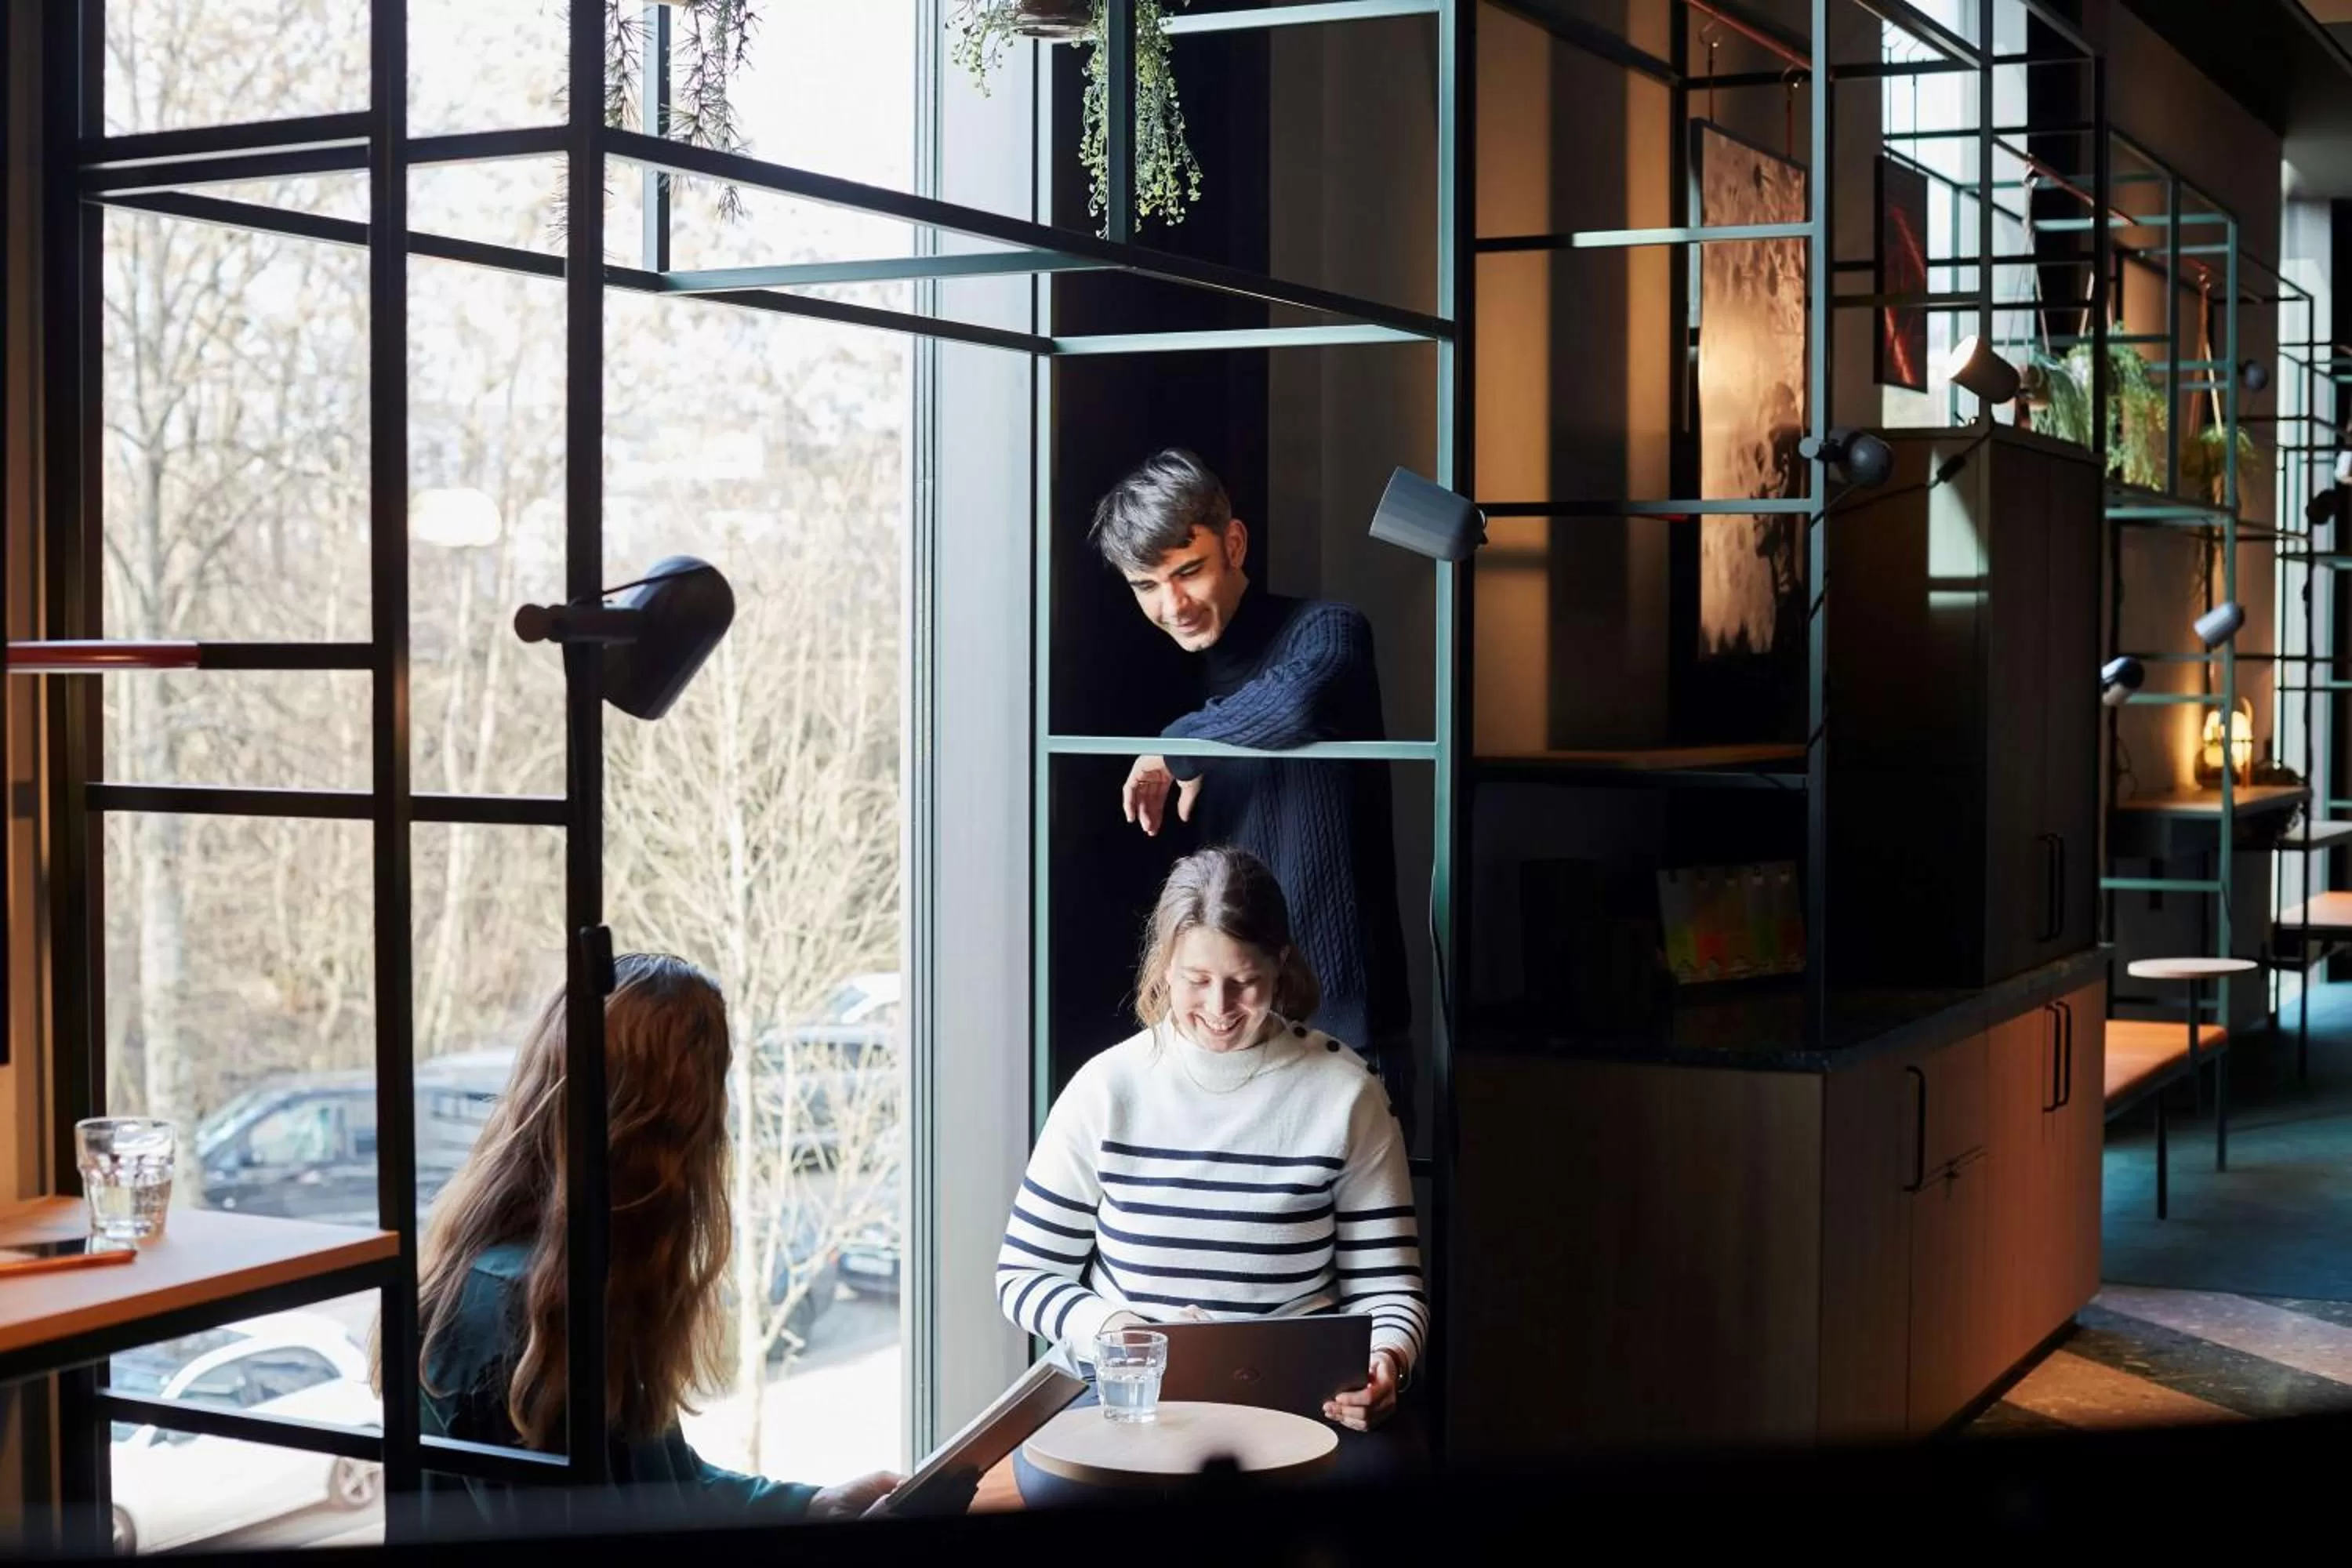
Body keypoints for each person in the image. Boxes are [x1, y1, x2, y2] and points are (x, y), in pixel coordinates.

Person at [382, 953, 898, 1530]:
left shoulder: (541, 1284)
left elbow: (661, 1483)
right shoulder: (532, 1320)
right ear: (678, 1130)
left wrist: (810, 1506)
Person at [996, 848, 1428, 1494]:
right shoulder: (1107, 1088)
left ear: (1281, 964)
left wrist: (1384, 1362)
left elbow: (1391, 1287)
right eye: (1196, 979)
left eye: (1244, 981)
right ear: (1164, 968)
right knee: (1067, 1490)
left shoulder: (1345, 1094)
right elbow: (1024, 1276)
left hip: (1299, 1405)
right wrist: (1122, 1334)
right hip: (1130, 1402)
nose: (1220, 1006)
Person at [1089, 448, 1415, 1131]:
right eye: (1146, 585)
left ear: (1233, 543)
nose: (1171, 604)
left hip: (1341, 1032)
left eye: (1189, 571)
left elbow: (1289, 709)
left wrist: (1173, 747)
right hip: (1221, 1033)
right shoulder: (1185, 684)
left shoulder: (1326, 631)